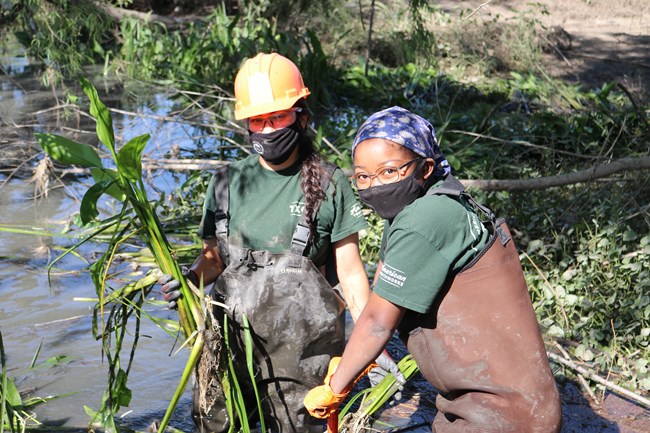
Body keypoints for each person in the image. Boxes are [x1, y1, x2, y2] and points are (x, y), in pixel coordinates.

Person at [159, 53, 402, 433]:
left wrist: (373, 344)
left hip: (303, 357)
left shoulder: (329, 182)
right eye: (258, 120)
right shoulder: (226, 182)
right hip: (229, 344)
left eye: (279, 117)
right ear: (247, 126)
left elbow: (351, 273)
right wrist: (189, 279)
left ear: (301, 116)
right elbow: (213, 259)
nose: (269, 128)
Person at [304, 106, 563, 432]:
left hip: (500, 416)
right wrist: (353, 361)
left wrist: (335, 388)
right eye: (363, 177)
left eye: (389, 171)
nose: (375, 186)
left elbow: (376, 324)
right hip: (509, 407)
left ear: (425, 167)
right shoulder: (439, 198)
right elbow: (382, 290)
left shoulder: (424, 219)